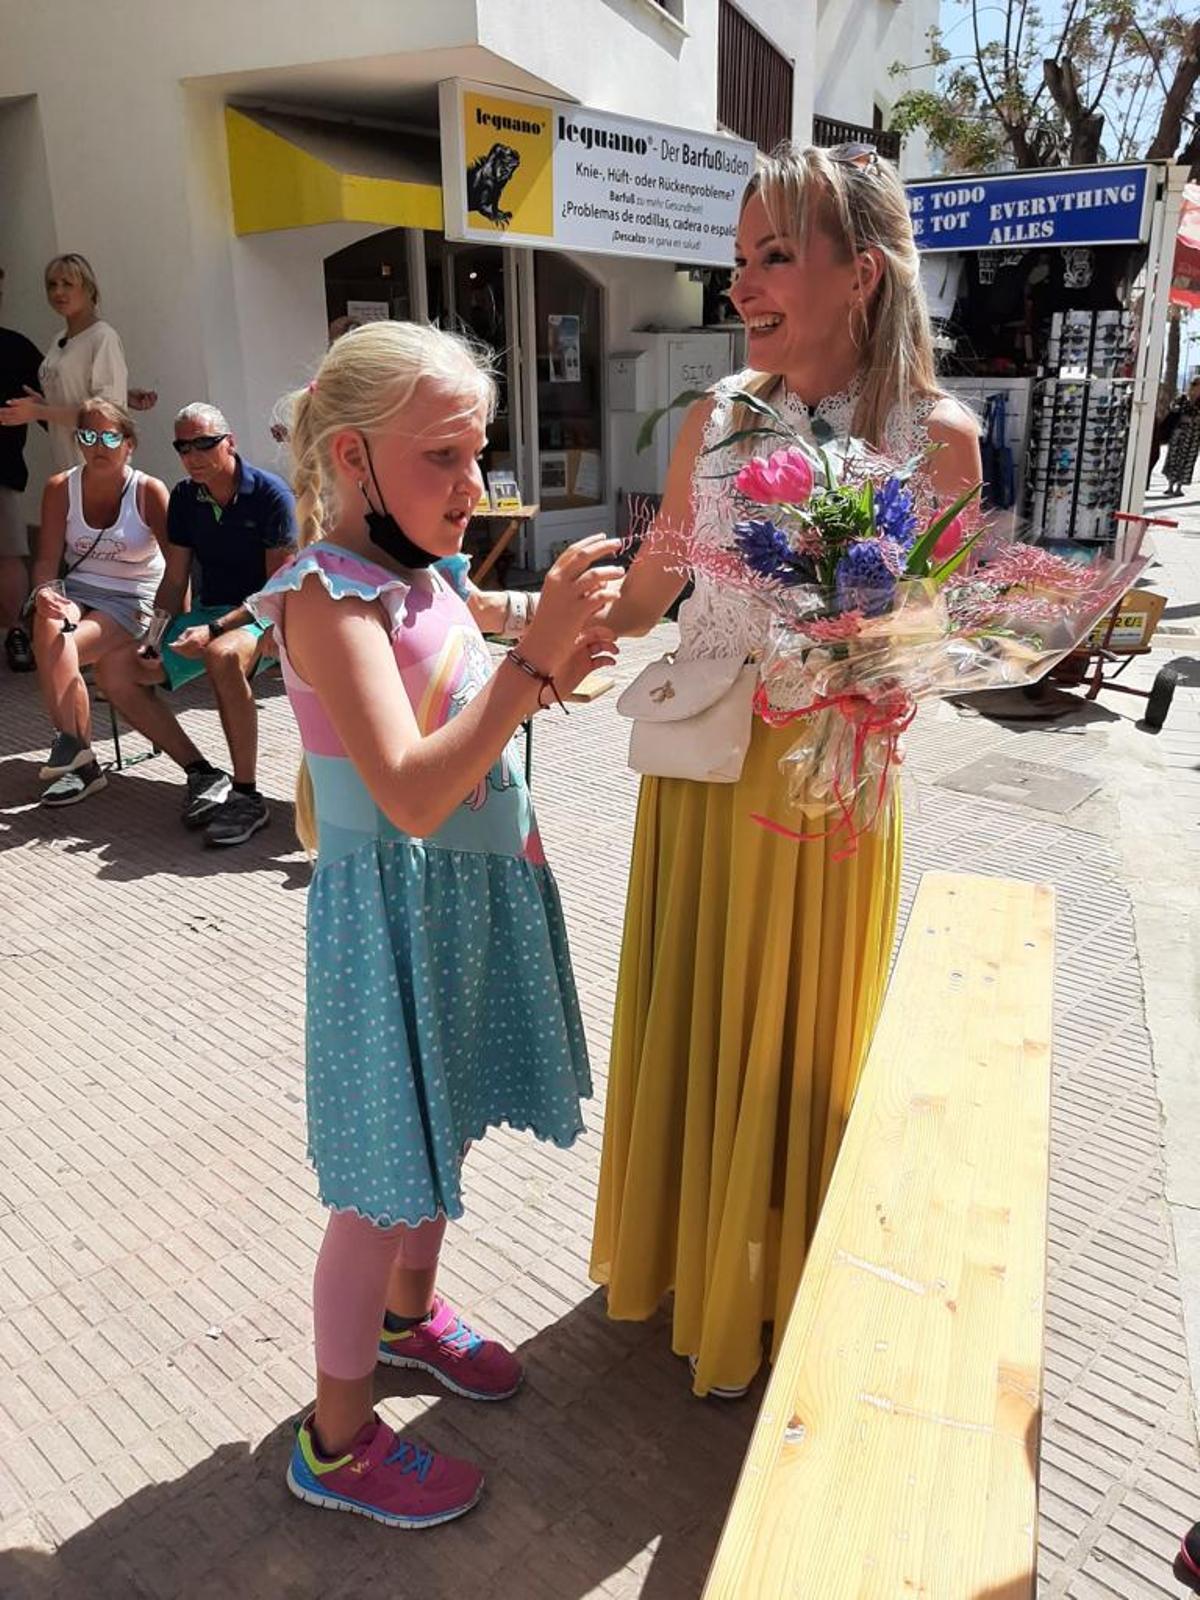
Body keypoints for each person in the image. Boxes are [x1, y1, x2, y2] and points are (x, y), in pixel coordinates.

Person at [588, 143, 982, 1399]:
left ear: (860, 273)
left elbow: (935, 636)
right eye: (738, 258)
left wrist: (868, 645)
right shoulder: (715, 415)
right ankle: (692, 1261)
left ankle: (787, 1285)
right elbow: (656, 577)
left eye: (773, 256)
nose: (742, 284)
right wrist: (524, 633)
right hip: (705, 766)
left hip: (831, 782)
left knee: (802, 1043)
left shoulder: (937, 438)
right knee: (701, 1017)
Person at [244, 320, 619, 1528]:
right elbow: (408, 793)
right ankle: (336, 1440)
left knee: (435, 1132)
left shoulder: (425, 575)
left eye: (479, 454)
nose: (474, 486)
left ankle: (408, 1318)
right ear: (352, 458)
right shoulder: (325, 598)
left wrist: (572, 631)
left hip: (459, 908)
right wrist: (531, 669)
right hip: (392, 927)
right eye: (443, 457)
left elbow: (491, 640)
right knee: (374, 1189)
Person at [94, 404, 297, 846]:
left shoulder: (271, 494)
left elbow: (275, 592)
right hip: (211, 613)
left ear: (230, 442)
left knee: (221, 655)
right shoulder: (185, 497)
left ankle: (247, 795)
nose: (193, 455)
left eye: (204, 443)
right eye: (183, 447)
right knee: (115, 669)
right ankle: (202, 772)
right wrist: (153, 639)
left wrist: (215, 630)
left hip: (264, 615)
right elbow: (174, 578)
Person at [28, 399, 168, 805]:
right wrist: (45, 593)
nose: (98, 446)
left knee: (59, 644)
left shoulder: (148, 491)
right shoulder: (61, 487)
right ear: (78, 441)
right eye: (88, 436)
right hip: (80, 590)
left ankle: (77, 756)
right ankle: (80, 755)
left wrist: (162, 634)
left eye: (109, 437)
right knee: (48, 624)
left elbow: (179, 565)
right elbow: (46, 561)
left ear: (129, 444)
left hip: (133, 596)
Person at [0, 254, 153, 474]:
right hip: (68, 465)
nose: (58, 292)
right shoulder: (59, 339)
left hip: (98, 467)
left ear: (88, 289)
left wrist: (40, 412)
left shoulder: (102, 337)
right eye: (52, 285)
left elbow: (104, 415)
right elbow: (77, 395)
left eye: (67, 284)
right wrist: (43, 404)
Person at [0, 266, 43, 672]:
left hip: (3, 469)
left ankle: (15, 630)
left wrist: (119, 400)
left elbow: (51, 397)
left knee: (9, 553)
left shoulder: (15, 348)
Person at [1164, 376, 1200, 497]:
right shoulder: (1183, 398)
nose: (1196, 387)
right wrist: (1177, 409)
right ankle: (1170, 485)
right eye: (1194, 384)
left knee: (1187, 460)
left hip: (1193, 435)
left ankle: (1179, 487)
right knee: (1173, 457)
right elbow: (1172, 407)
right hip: (1178, 433)